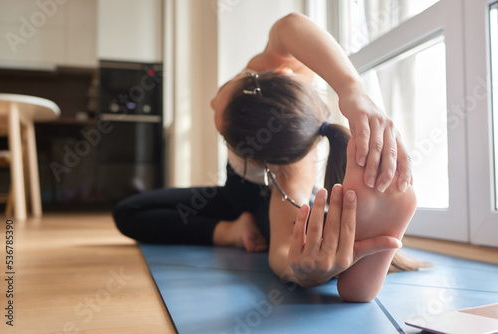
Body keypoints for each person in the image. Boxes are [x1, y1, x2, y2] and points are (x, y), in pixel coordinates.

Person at [113, 13, 418, 302]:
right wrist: (351, 89)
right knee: (128, 212)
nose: (210, 101)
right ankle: (234, 231)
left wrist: (302, 271)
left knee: (304, 244)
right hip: (233, 197)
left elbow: (282, 249)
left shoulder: (292, 170)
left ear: (263, 161)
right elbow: (290, 25)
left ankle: (344, 245)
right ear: (278, 71)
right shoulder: (269, 70)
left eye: (219, 101)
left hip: (266, 206)